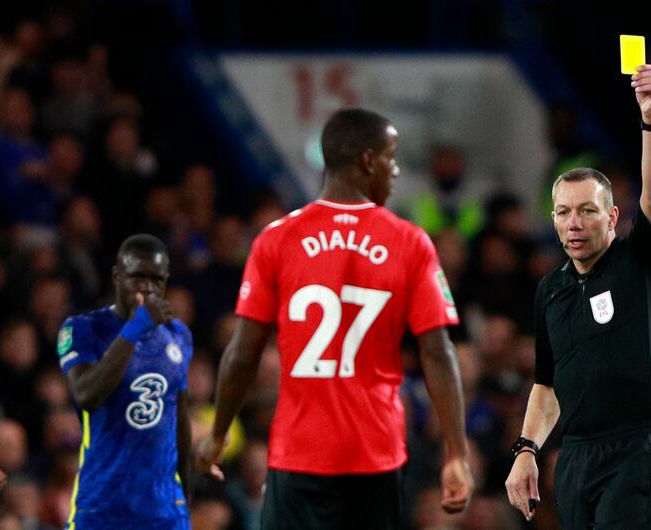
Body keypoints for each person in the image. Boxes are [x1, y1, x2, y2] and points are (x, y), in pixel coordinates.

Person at [196, 107, 474, 529]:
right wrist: (455, 454)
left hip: (300, 450)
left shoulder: (276, 239)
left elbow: (242, 353)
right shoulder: (410, 241)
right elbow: (437, 353)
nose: (395, 170)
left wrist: (218, 433)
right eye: (391, 156)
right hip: (376, 452)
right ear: (367, 161)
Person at [505, 64, 651, 528]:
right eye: (563, 212)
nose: (574, 223)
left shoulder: (637, 261)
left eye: (587, 211)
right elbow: (547, 383)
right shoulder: (551, 290)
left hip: (637, 446)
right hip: (576, 456)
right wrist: (527, 450)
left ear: (612, 216)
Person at [57, 234, 192, 528]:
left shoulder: (179, 334)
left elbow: (179, 421)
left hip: (164, 509)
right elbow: (86, 394)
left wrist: (187, 500)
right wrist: (136, 328)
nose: (147, 287)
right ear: (117, 276)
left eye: (156, 280)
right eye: (137, 277)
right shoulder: (83, 329)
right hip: (103, 505)